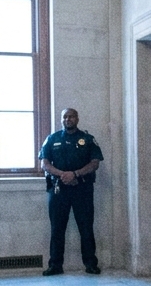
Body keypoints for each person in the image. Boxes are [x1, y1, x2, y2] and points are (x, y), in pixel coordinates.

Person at [39, 108, 103, 276]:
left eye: (71, 116)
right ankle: (55, 265)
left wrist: (75, 174)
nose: (68, 119)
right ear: (61, 119)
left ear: (77, 119)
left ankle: (90, 264)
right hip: (59, 190)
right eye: (65, 117)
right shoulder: (52, 139)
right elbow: (44, 163)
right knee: (57, 228)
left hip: (82, 189)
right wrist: (63, 175)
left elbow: (95, 163)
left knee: (86, 228)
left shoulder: (88, 140)